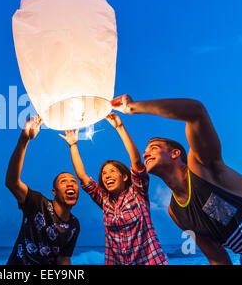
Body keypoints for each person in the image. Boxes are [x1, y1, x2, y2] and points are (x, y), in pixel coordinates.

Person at [112, 94, 242, 265]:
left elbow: (196, 112)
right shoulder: (175, 211)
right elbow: (217, 257)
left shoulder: (202, 167)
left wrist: (132, 107)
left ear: (175, 153)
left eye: (153, 148)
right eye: (146, 150)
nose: (145, 153)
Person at [59, 113, 167, 265]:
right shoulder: (104, 200)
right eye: (104, 173)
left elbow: (136, 162)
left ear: (124, 176)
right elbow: (82, 176)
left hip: (149, 261)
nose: (107, 176)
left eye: (112, 171)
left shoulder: (137, 193)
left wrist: (120, 127)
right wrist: (73, 145)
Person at [6, 116, 80, 265]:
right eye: (63, 181)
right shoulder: (37, 202)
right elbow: (12, 182)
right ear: (54, 191)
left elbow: (63, 258)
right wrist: (24, 140)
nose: (70, 184)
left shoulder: (74, 224)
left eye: (73, 181)